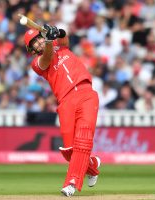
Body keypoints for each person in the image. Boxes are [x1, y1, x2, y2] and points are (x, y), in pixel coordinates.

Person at [23, 24, 100, 197]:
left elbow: (65, 37)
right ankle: (92, 165)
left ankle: (71, 183)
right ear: (32, 50)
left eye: (38, 38)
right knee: (69, 151)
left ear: (43, 36)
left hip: (86, 94)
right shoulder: (37, 64)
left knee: (83, 140)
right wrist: (49, 40)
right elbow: (48, 56)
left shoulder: (60, 46)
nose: (38, 43)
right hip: (66, 101)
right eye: (34, 43)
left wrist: (57, 31)